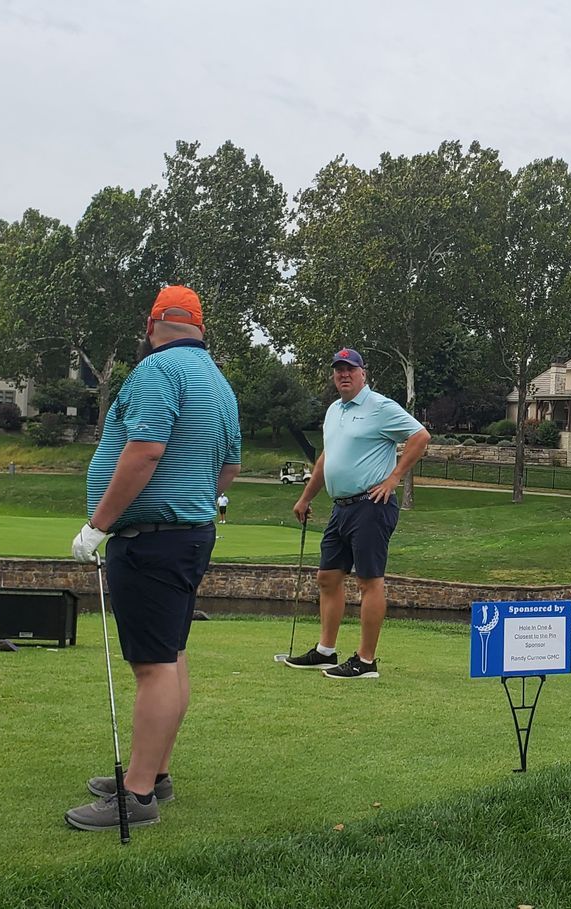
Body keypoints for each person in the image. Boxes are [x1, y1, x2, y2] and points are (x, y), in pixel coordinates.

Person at [62, 285, 241, 831]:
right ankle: (154, 772)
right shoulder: (217, 379)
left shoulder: (156, 372)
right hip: (188, 535)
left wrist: (99, 525)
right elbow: (229, 467)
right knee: (172, 651)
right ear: (200, 326)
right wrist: (193, 496)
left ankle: (136, 796)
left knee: (152, 666)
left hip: (151, 539)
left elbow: (144, 449)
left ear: (152, 324)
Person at [284, 347, 431, 679]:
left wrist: (393, 479)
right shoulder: (334, 410)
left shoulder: (379, 406)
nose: (344, 374)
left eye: (350, 369)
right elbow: (326, 459)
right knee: (328, 577)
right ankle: (325, 651)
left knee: (368, 581)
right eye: (338, 370)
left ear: (363, 373)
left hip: (371, 506)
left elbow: (420, 437)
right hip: (341, 508)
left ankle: (366, 661)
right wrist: (306, 497)